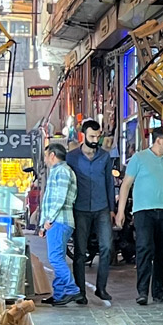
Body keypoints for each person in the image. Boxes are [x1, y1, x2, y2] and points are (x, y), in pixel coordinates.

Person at [115, 124, 163, 305]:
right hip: (143, 212)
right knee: (144, 249)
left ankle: (158, 292)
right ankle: (142, 292)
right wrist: (120, 211)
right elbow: (125, 185)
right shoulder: (139, 159)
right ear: (158, 140)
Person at [63, 118, 119, 305]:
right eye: (92, 136)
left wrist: (112, 209)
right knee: (80, 251)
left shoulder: (104, 156)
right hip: (79, 208)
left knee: (106, 247)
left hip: (102, 207)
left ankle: (101, 288)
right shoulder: (71, 158)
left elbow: (109, 184)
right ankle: (80, 292)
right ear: (83, 135)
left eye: (98, 136)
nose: (95, 139)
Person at [35, 142, 81, 305]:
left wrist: (48, 221)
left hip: (59, 221)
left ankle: (72, 290)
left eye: (46, 156)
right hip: (58, 221)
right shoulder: (58, 171)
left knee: (55, 258)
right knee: (58, 257)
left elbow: (59, 199)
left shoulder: (62, 171)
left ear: (52, 155)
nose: (45, 159)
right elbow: (50, 200)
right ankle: (60, 294)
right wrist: (42, 224)